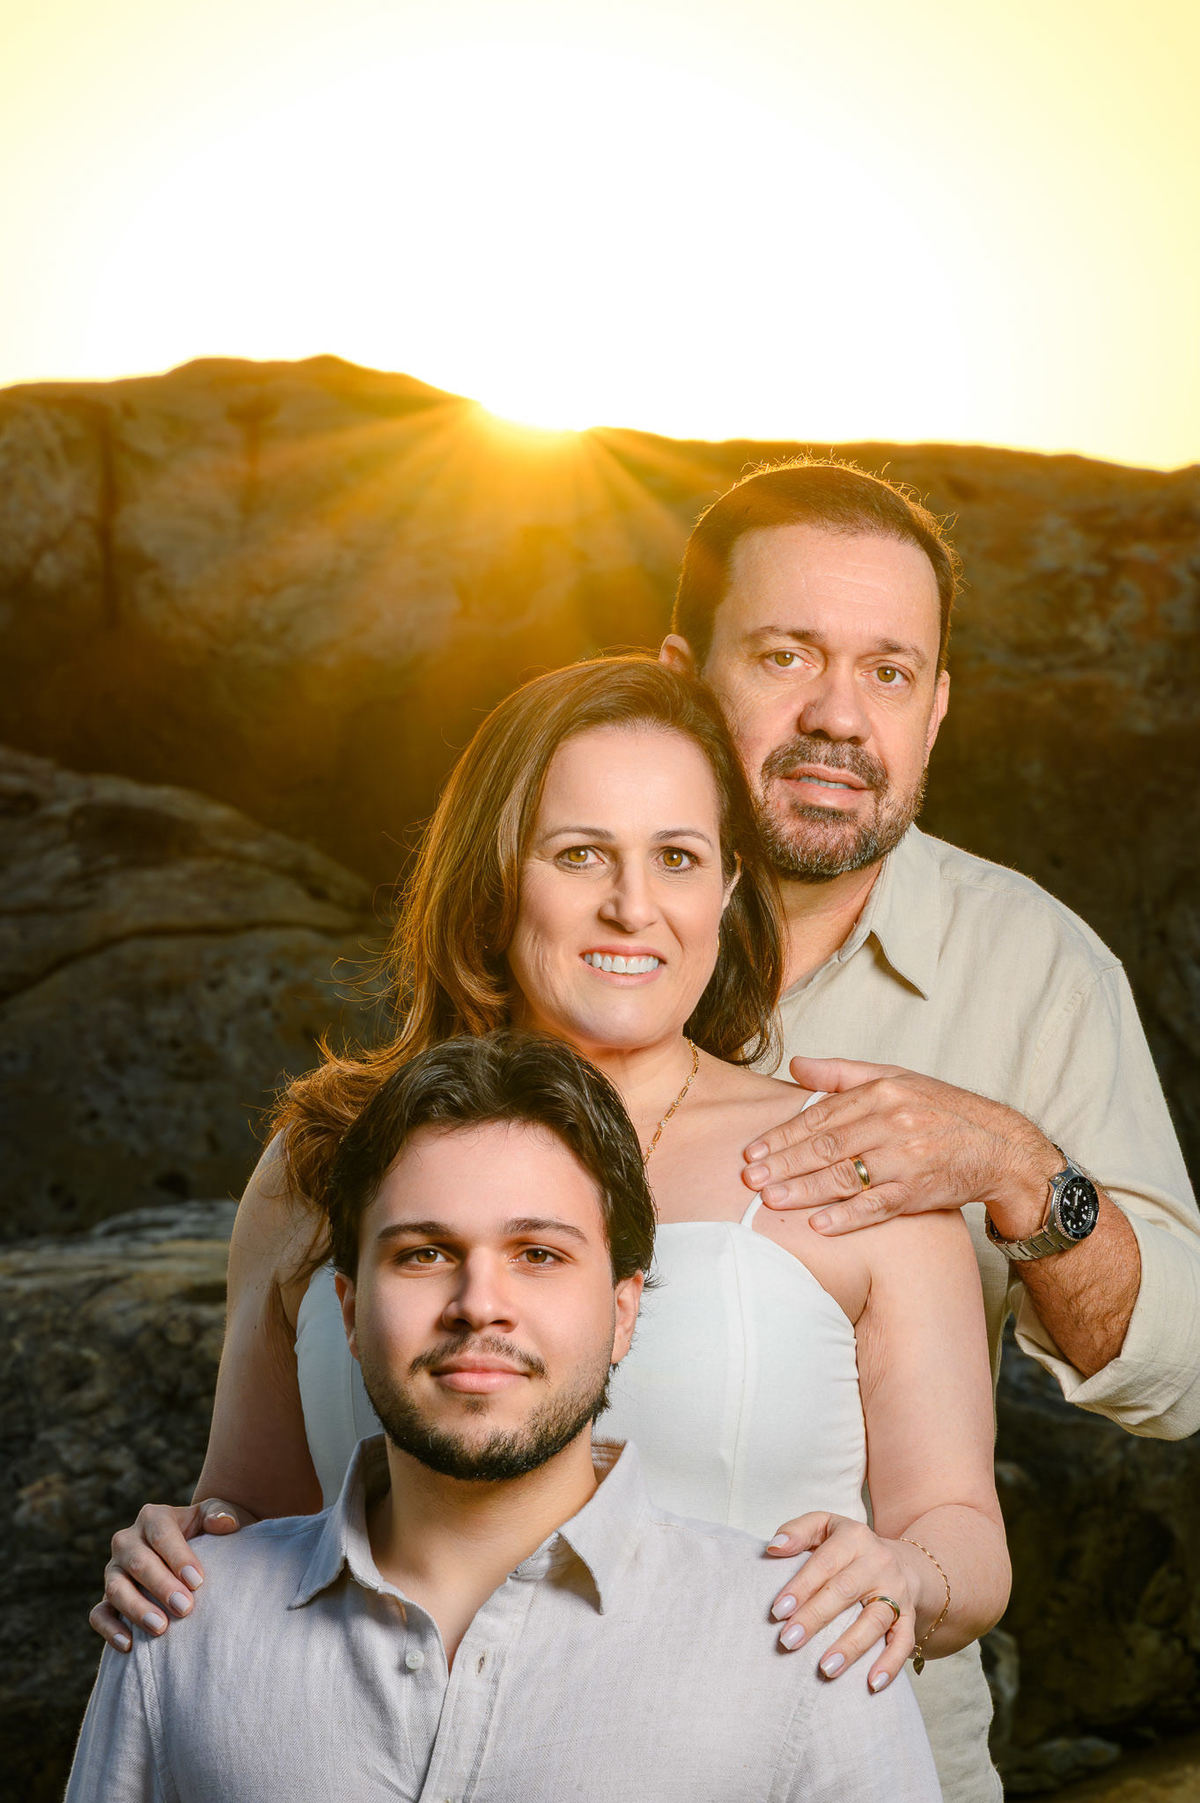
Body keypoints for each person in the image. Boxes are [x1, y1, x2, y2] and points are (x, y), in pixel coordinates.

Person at [90, 657, 1007, 1799]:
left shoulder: (851, 1163)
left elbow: (961, 1527)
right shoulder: (317, 1162)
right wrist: (176, 1557)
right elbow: (252, 1508)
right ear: (494, 874)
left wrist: (905, 1577)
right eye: (579, 854)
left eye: (677, 857)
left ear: (729, 885)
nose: (633, 906)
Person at [659, 457, 1200, 1790]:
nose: (839, 717)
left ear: (938, 706)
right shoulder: (550, 931)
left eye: (890, 672)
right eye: (786, 654)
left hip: (873, 1725)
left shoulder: (1036, 965)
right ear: (679, 678)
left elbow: (1183, 1370)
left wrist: (1016, 1169)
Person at [67, 1033, 942, 1802]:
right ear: (348, 1309)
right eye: (424, 1252)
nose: (479, 1303)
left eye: (538, 1253)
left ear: (624, 1311)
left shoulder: (805, 1641)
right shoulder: (182, 1626)